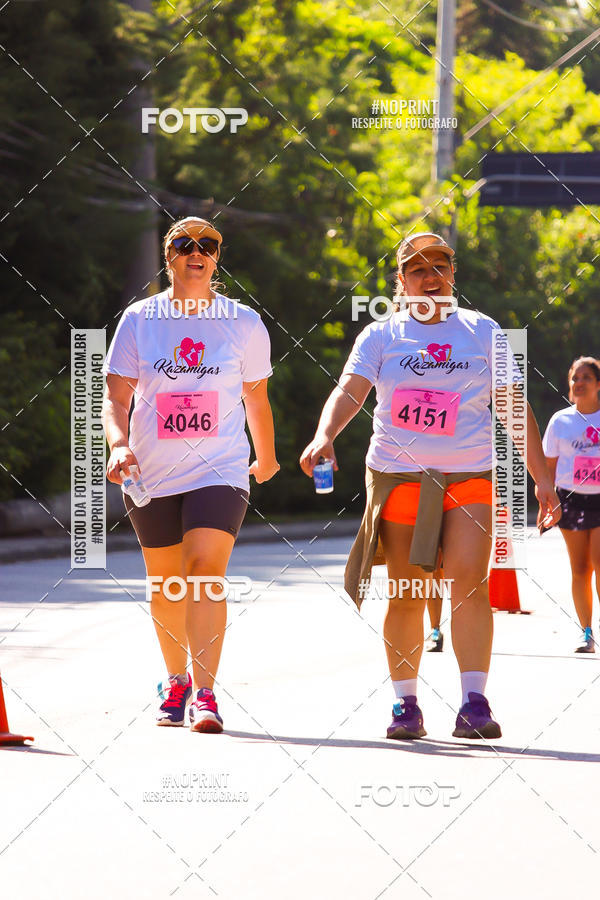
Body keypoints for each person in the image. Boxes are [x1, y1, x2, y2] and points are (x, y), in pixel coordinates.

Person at [300, 232, 560, 740]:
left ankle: (474, 703)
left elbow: (511, 402)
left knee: (469, 582)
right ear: (400, 281)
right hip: (400, 475)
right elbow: (350, 391)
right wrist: (324, 435)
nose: (430, 276)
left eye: (439, 266)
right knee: (408, 590)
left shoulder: (482, 331)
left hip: (469, 473)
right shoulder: (381, 335)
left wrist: (542, 478)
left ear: (452, 276)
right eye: (417, 269)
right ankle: (406, 705)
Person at [102, 216, 279, 733]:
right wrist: (118, 445)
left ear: (218, 257)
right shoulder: (140, 319)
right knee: (167, 585)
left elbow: (256, 399)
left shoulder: (243, 322)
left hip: (220, 468)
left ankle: (205, 693)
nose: (196, 251)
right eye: (184, 244)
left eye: (208, 244)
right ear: (169, 256)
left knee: (205, 571)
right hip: (150, 471)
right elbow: (116, 394)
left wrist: (265, 459)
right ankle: (174, 678)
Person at [542, 356, 600, 653]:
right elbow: (548, 468)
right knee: (580, 568)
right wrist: (546, 503)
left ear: (598, 384)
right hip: (570, 500)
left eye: (586, 377)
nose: (579, 383)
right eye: (575, 378)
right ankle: (586, 633)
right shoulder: (560, 421)